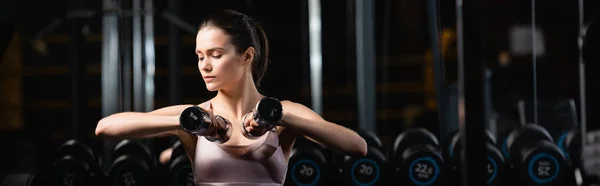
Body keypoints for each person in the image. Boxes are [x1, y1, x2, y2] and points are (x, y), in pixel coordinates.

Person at [95, 9, 368, 185]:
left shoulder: (284, 113)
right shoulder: (195, 116)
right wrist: (183, 122)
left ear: (247, 56)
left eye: (216, 55)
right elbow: (105, 128)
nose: (205, 65)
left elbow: (358, 147)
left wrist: (282, 117)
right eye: (200, 57)